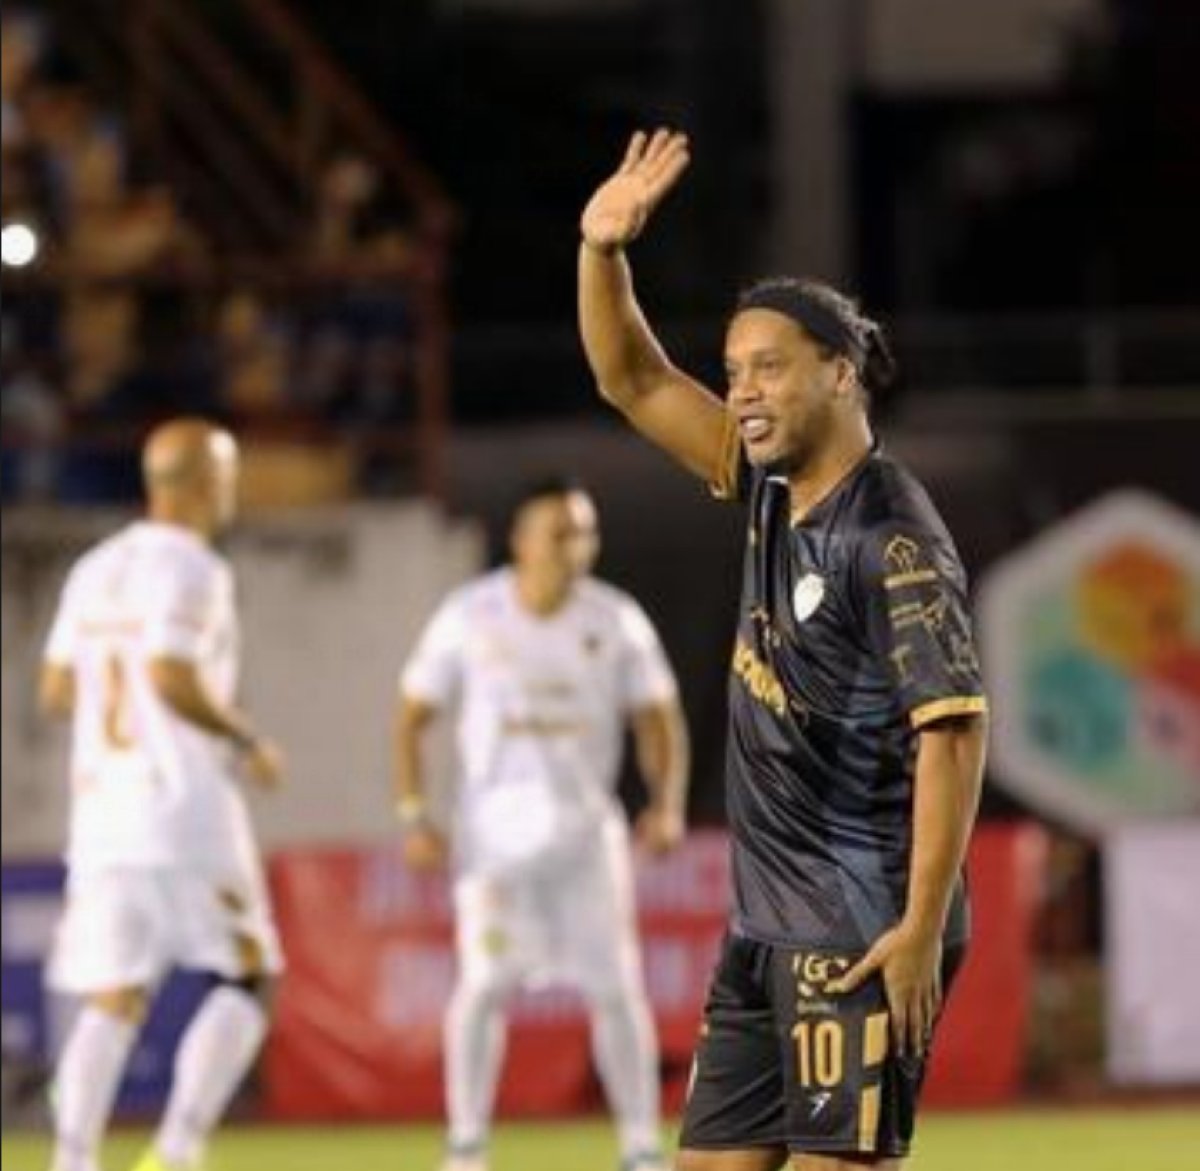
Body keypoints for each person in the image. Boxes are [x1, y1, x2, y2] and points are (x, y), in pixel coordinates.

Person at [577, 130, 989, 1171]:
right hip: (763, 923)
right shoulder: (764, 486)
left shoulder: (889, 533)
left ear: (841, 374)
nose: (743, 390)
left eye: (768, 368)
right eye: (732, 372)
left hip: (860, 924)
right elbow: (631, 378)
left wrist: (919, 925)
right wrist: (601, 251)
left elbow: (954, 730)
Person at [395, 475, 690, 1171]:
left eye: (584, 531)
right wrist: (415, 813)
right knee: (486, 984)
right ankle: (466, 1146)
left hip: (587, 837)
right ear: (521, 540)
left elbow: (659, 718)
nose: (575, 545)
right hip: (493, 844)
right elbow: (411, 718)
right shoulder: (470, 615)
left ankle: (641, 1147)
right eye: (560, 531)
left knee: (616, 988)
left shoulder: (614, 619)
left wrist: (668, 799)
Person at [39, 418, 286, 1171]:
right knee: (250, 974)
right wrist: (246, 739)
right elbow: (170, 672)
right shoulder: (194, 569)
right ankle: (178, 1149)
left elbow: (55, 690)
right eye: (229, 473)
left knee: (115, 995)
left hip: (105, 815)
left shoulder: (95, 568)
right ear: (206, 482)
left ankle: (72, 1158)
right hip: (184, 811)